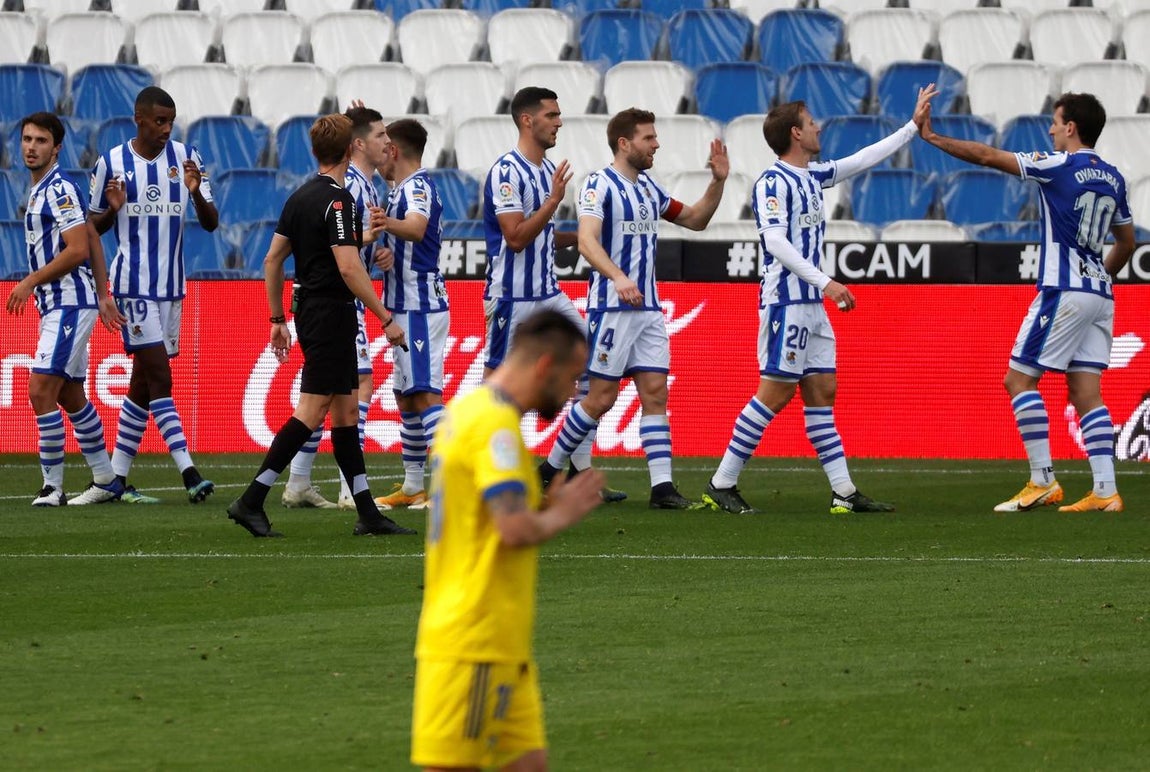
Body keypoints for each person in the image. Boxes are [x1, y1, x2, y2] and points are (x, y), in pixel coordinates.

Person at [702, 87, 938, 515]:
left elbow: (863, 158)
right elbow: (774, 242)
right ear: (796, 133)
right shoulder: (772, 183)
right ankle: (722, 482)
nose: (819, 127)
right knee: (774, 395)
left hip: (811, 303)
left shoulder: (812, 176)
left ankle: (844, 492)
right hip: (786, 301)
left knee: (821, 391)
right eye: (812, 123)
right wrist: (826, 281)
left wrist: (911, 127)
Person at [919, 91, 1134, 512]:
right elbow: (1126, 242)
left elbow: (987, 156)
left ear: (1071, 127)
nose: (1050, 129)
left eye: (1055, 122)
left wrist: (933, 137)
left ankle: (1042, 481)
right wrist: (1099, 278)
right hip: (1100, 295)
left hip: (1064, 289)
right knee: (1087, 393)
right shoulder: (1115, 178)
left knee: (1018, 381)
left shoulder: (1057, 165)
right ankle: (1106, 491)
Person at [411, 310, 605, 772]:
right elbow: (512, 530)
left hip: (503, 646)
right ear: (544, 367)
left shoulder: (470, 411)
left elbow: (481, 517)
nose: (576, 390)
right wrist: (561, 513)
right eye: (573, 376)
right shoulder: (494, 426)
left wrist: (541, 508)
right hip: (473, 643)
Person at [226, 114, 415, 538]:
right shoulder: (339, 200)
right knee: (311, 412)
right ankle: (251, 499)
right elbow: (349, 268)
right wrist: (386, 319)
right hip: (331, 312)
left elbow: (272, 259)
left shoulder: (300, 196)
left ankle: (367, 513)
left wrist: (277, 318)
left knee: (346, 411)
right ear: (351, 149)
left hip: (312, 310)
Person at [537, 108, 728, 509]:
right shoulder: (597, 186)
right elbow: (587, 241)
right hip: (612, 306)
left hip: (649, 310)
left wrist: (718, 182)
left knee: (655, 393)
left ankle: (662, 488)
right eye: (648, 138)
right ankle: (548, 471)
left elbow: (695, 220)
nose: (656, 144)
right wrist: (618, 277)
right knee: (601, 397)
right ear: (624, 143)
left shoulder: (648, 189)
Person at [482, 86, 623, 502]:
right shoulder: (507, 172)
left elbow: (543, 234)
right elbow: (516, 237)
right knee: (497, 391)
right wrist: (553, 201)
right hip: (512, 299)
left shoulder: (546, 171)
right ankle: (481, 471)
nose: (559, 121)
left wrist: (585, 236)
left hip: (549, 293)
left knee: (591, 366)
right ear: (528, 120)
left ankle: (575, 472)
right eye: (552, 115)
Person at [89, 86, 216, 505]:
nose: (166, 129)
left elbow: (212, 223)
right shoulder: (111, 163)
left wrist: (196, 191)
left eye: (171, 121)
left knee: (143, 382)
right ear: (139, 119)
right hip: (133, 286)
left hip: (172, 288)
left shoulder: (187, 157)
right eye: (159, 121)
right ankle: (189, 471)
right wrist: (112, 208)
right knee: (161, 376)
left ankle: (115, 479)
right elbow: (92, 231)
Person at [6, 112, 125, 506]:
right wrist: (104, 294)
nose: (31, 147)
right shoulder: (47, 190)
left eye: (41, 141)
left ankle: (52, 488)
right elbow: (92, 237)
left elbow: (76, 250)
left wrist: (29, 281)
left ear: (56, 148)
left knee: (39, 390)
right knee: (70, 395)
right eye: (27, 139)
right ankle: (106, 478)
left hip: (68, 303)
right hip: (66, 303)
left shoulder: (57, 190)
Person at [281, 104, 391, 511]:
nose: (388, 142)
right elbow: (337, 246)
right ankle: (347, 488)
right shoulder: (349, 189)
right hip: (340, 301)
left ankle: (299, 482)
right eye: (380, 135)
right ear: (356, 145)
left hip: (338, 298)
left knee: (331, 393)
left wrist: (377, 252)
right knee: (350, 388)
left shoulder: (364, 185)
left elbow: (352, 243)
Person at [369, 118, 447, 511]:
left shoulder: (415, 187)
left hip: (419, 306)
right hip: (404, 302)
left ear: (395, 152)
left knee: (425, 393)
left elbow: (416, 229)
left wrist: (386, 224)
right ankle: (414, 486)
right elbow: (406, 242)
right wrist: (387, 254)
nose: (380, 152)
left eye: (385, 146)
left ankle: (452, 486)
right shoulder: (401, 188)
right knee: (405, 395)